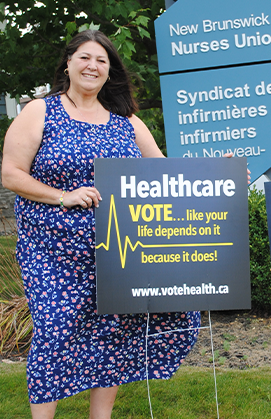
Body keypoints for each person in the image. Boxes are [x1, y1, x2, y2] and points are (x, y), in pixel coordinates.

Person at [1, 30, 201, 419]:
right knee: (54, 333)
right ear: (68, 63)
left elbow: (166, 174)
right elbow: (11, 173)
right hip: (51, 251)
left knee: (112, 332)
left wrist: (220, 176)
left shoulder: (127, 122)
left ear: (110, 72)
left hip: (115, 251)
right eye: (85, 58)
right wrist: (64, 196)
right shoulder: (41, 111)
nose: (93, 66)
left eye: (102, 61)